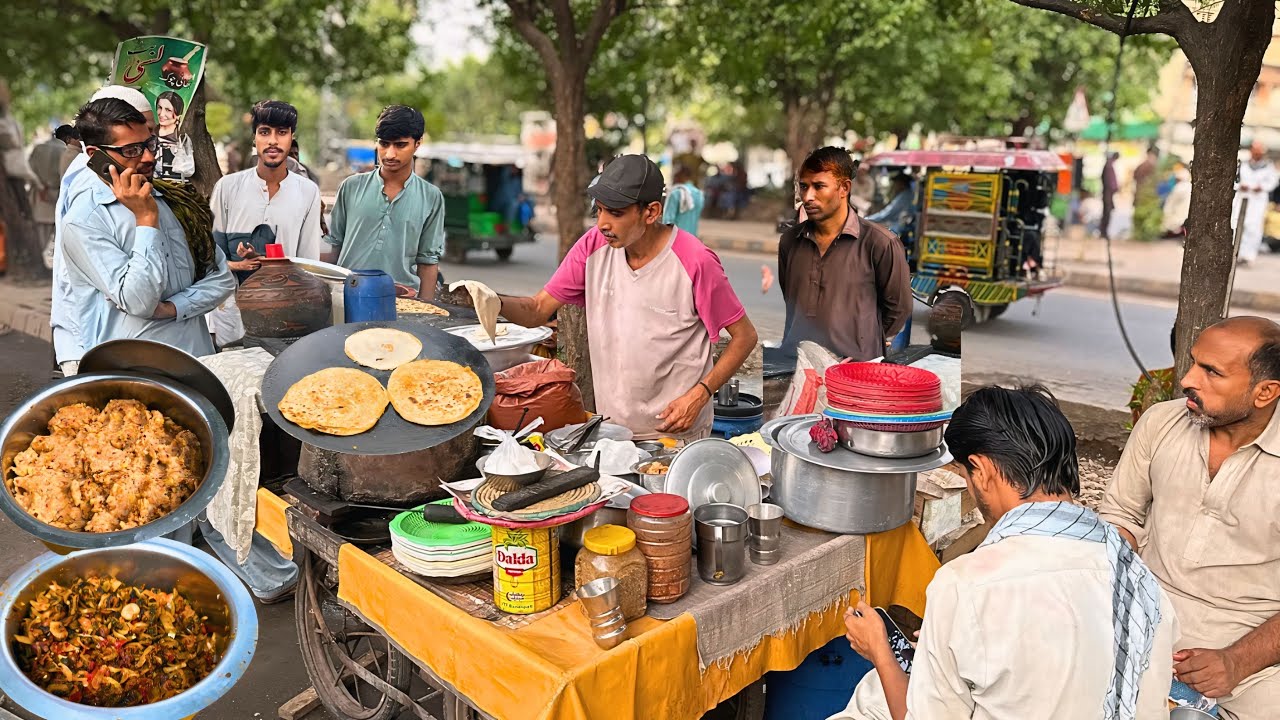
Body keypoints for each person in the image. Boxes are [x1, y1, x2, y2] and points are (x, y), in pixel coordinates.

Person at [835, 385, 1177, 720]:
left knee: (871, 698)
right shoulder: (1138, 575)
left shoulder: (966, 584)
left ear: (981, 472)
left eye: (967, 476)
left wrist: (879, 651)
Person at [481, 154, 757, 441]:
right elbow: (537, 309)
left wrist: (701, 394)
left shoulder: (695, 260)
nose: (602, 224)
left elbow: (745, 337)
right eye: (598, 211)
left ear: (650, 212)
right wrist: (489, 300)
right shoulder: (592, 247)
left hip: (677, 433)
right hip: (613, 430)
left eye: (615, 213)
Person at [1100, 316, 1280, 719]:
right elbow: (1121, 514)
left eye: (1211, 372)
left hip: (1254, 666)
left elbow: (1240, 664)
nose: (1187, 380)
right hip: (1139, 624)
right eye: (1194, 363)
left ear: (1265, 392)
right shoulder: (1162, 422)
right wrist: (1118, 603)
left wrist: (1237, 662)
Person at [59, 97, 233, 362]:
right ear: (96, 156)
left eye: (149, 144)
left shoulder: (171, 200)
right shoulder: (84, 221)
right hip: (133, 375)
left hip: (198, 361)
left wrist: (174, 308)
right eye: (132, 150)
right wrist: (146, 220)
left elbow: (222, 278)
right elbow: (138, 301)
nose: (149, 157)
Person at [51, 86, 157, 376]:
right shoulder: (90, 183)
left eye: (150, 138)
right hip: (95, 341)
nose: (147, 154)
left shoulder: (129, 181)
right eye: (135, 141)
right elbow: (133, 296)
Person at [776, 147, 912, 362]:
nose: (808, 196)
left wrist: (863, 343)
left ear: (844, 188)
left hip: (856, 371)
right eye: (804, 186)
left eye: (819, 186)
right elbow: (791, 298)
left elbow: (898, 309)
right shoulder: (790, 241)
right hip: (796, 365)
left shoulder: (881, 243)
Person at [208, 100, 322, 347]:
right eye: (264, 132)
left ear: (291, 138)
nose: (273, 141)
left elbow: (308, 262)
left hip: (286, 316)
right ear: (254, 139)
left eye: (281, 133)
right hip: (230, 313)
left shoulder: (307, 192)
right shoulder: (227, 188)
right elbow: (210, 257)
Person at [321, 105, 444, 299]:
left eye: (400, 145)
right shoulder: (351, 187)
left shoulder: (431, 196)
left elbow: (428, 261)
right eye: (384, 144)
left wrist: (426, 312)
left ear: (417, 144)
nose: (389, 154)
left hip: (403, 302)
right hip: (347, 297)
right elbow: (333, 247)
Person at [1233, 141, 1279, 266]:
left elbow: (1272, 182)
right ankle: (1236, 253)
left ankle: (1248, 255)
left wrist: (1262, 187)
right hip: (1242, 196)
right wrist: (1239, 186)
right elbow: (1234, 179)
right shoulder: (1243, 165)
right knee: (1237, 223)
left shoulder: (1268, 167)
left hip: (1257, 200)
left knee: (1253, 227)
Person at [865, 172, 915, 237]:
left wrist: (867, 219)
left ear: (902, 183)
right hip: (903, 226)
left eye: (896, 183)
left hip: (900, 228)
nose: (895, 185)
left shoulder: (904, 196)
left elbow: (887, 213)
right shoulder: (907, 193)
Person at [662, 165, 705, 235]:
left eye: (676, 175)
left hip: (676, 239)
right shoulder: (699, 194)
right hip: (693, 238)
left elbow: (668, 221)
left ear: (681, 175)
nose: (674, 177)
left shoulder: (675, 193)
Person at [1161, 164, 1192, 238]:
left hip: (1177, 217)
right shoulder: (1189, 186)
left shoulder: (1179, 187)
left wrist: (1166, 213)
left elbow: (1170, 202)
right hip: (1185, 215)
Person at [1100, 151, 1119, 241]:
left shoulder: (1109, 165)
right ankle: (1103, 232)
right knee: (1107, 213)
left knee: (1107, 213)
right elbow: (1111, 182)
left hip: (1108, 194)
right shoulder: (1109, 166)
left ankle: (1104, 232)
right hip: (1107, 194)